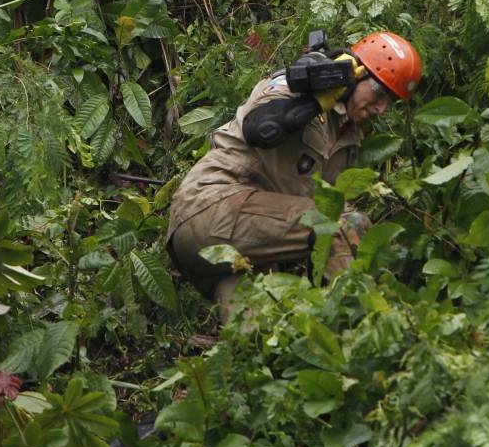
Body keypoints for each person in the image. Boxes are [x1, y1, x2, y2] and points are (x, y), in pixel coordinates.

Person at [168, 31, 422, 320]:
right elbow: (260, 127)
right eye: (379, 92)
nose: (381, 108)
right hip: (210, 208)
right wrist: (313, 101)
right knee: (339, 226)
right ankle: (370, 330)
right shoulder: (299, 85)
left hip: (243, 249)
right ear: (354, 74)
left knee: (264, 332)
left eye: (390, 101)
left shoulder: (348, 139)